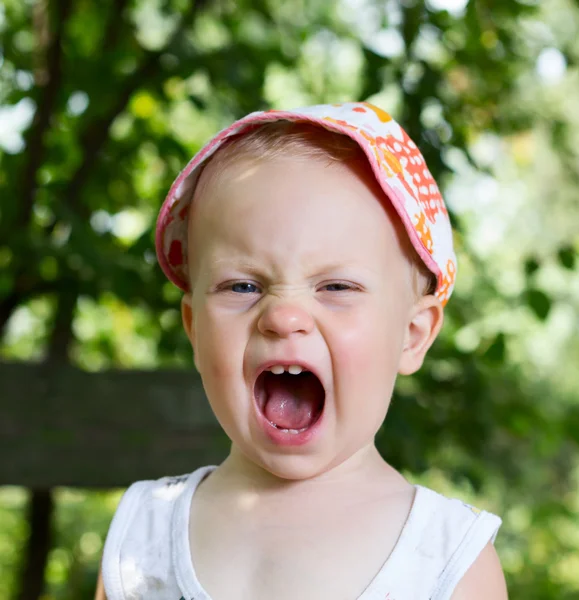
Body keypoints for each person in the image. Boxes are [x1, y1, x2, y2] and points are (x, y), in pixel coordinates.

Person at [95, 102, 508, 600]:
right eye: (242, 286)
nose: (283, 316)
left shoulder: (445, 558)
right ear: (195, 329)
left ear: (413, 333)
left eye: (336, 286)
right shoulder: (143, 539)